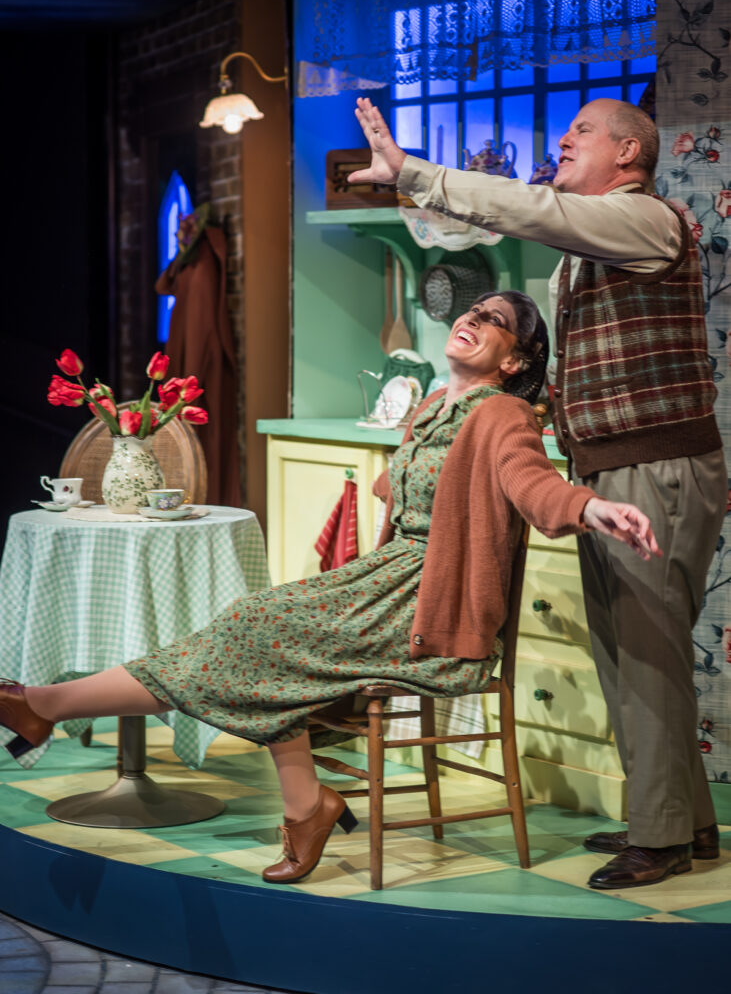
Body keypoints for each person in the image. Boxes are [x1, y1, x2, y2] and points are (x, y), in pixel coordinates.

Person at [0, 290, 659, 886]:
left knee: (257, 626)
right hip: (387, 578)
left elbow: (531, 482)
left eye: (492, 321)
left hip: (426, 600)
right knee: (258, 629)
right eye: (470, 311)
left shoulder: (503, 415)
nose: (470, 319)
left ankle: (49, 705)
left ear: (513, 360)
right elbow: (401, 492)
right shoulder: (433, 405)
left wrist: (592, 510)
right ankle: (302, 805)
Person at [349, 95, 725, 890]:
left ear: (628, 154)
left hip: (652, 465)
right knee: (630, 650)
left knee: (646, 650)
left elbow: (533, 210)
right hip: (613, 465)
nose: (562, 139)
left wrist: (415, 175)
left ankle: (659, 839)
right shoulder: (591, 244)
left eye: (581, 131)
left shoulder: (646, 219)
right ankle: (681, 824)